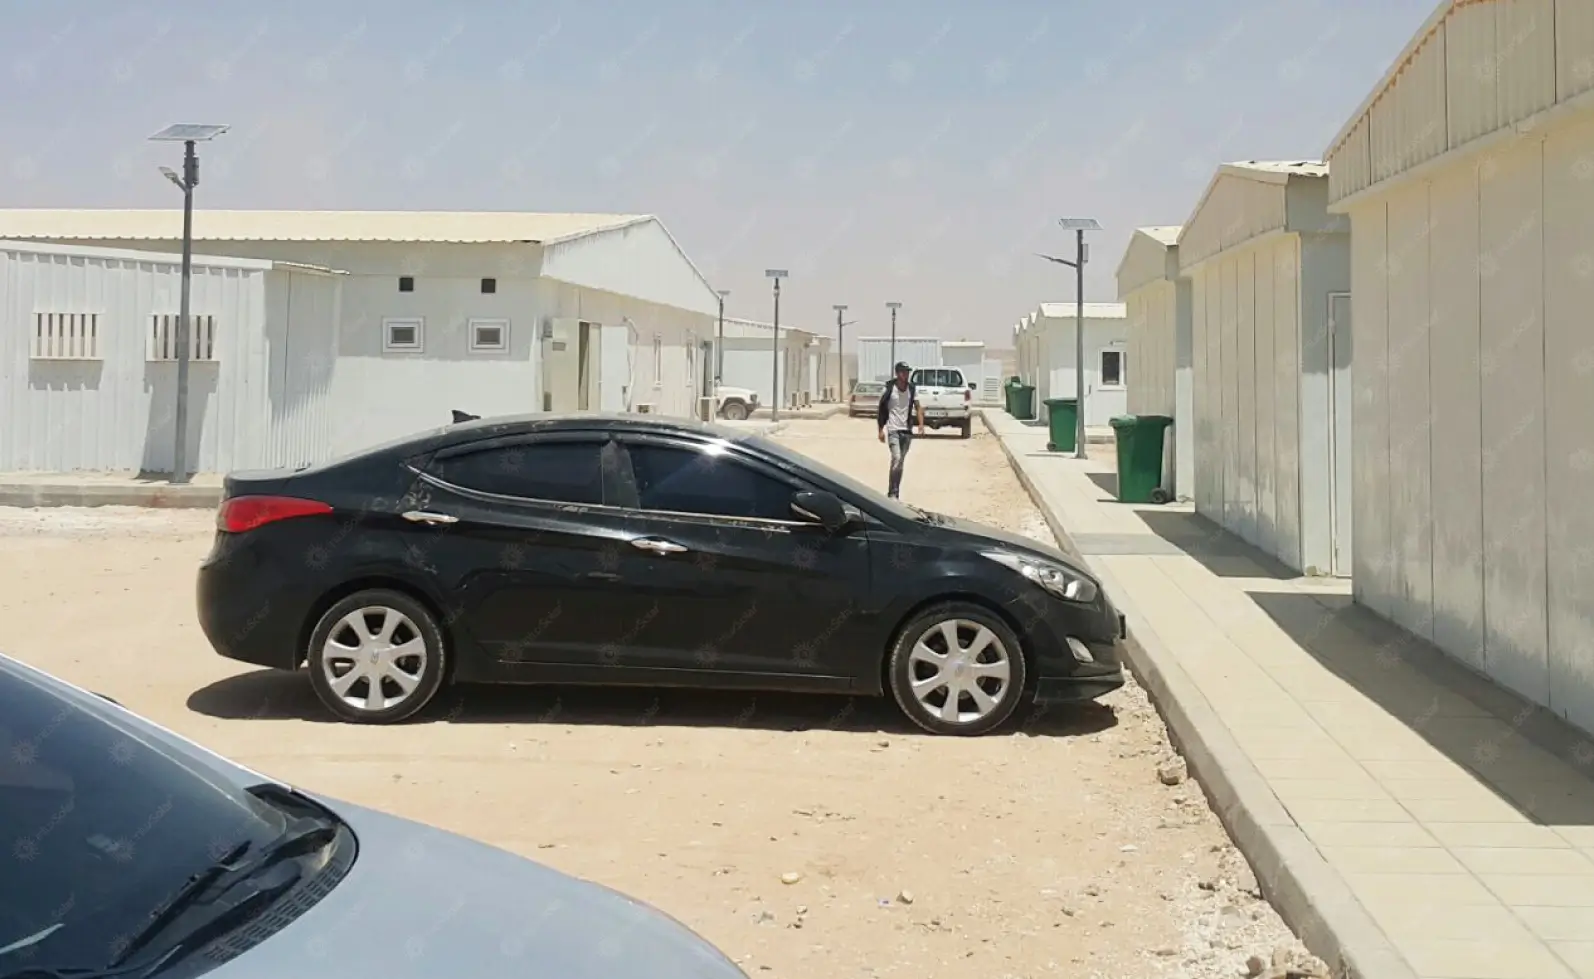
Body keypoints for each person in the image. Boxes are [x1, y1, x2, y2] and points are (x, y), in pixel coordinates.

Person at [876, 361, 925, 499]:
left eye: (907, 372)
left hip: (907, 431)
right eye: (903, 372)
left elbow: (918, 407)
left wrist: (921, 424)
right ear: (897, 373)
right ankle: (893, 493)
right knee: (897, 458)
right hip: (893, 429)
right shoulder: (889, 389)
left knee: (899, 463)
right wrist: (880, 430)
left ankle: (894, 489)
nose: (906, 374)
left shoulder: (912, 389)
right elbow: (881, 410)